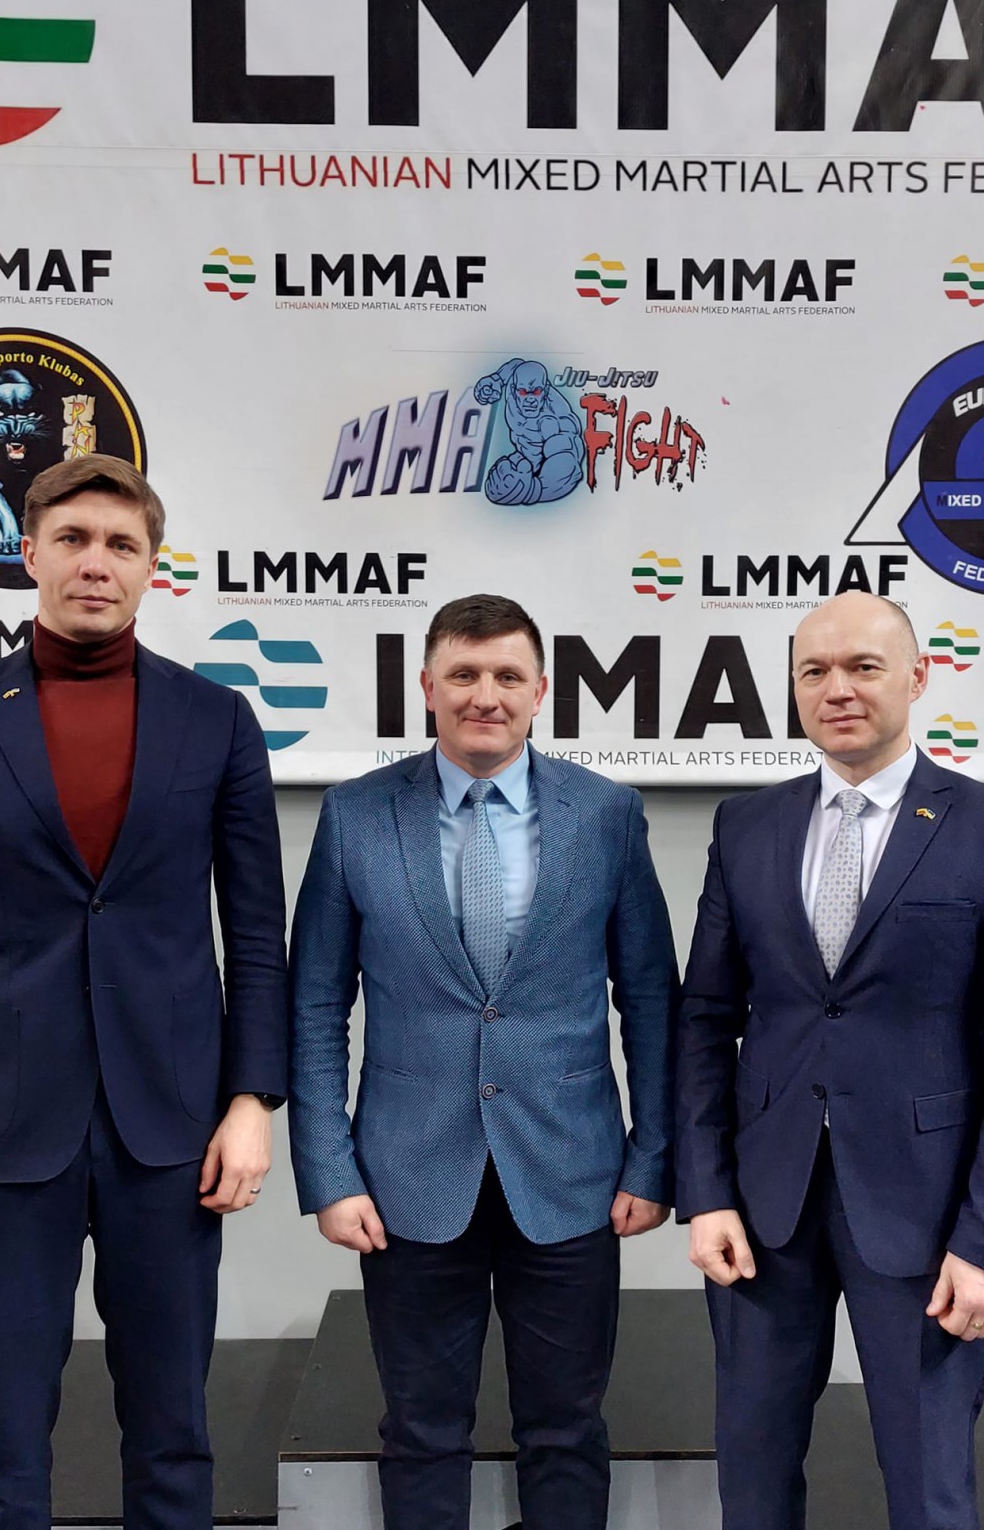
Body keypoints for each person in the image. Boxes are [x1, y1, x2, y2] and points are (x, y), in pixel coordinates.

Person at [0, 457, 288, 1530]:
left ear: (151, 569)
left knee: (174, 1439)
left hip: (172, 1131)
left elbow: (255, 934)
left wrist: (252, 1102)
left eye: (120, 544)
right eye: (73, 539)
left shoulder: (218, 719)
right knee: (0, 1447)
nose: (96, 562)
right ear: (30, 555)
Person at [288, 593, 677, 1530]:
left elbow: (653, 1001)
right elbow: (313, 1005)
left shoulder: (607, 815)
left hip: (574, 1174)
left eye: (507, 675)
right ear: (427, 687)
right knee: (421, 1431)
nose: (485, 695)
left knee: (567, 1429)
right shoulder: (355, 816)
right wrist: (330, 1171)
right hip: (407, 1177)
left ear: (541, 692)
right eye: (463, 674)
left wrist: (653, 1158)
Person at [677, 591, 984, 1530]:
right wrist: (706, 1192)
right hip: (762, 1213)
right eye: (814, 671)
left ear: (918, 677)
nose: (837, 689)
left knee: (930, 1491)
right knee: (753, 1484)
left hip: (925, 1219)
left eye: (863, 667)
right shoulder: (746, 826)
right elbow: (705, 1019)